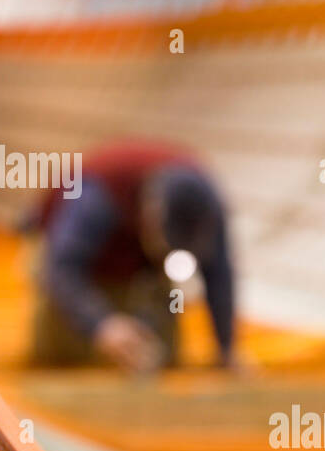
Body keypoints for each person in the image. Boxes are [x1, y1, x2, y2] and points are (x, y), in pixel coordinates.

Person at [24, 140, 237, 374]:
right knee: (62, 354)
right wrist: (102, 325)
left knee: (163, 354)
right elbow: (62, 267)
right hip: (65, 252)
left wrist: (226, 350)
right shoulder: (96, 197)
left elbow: (219, 273)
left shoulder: (207, 206)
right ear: (151, 214)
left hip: (140, 264)